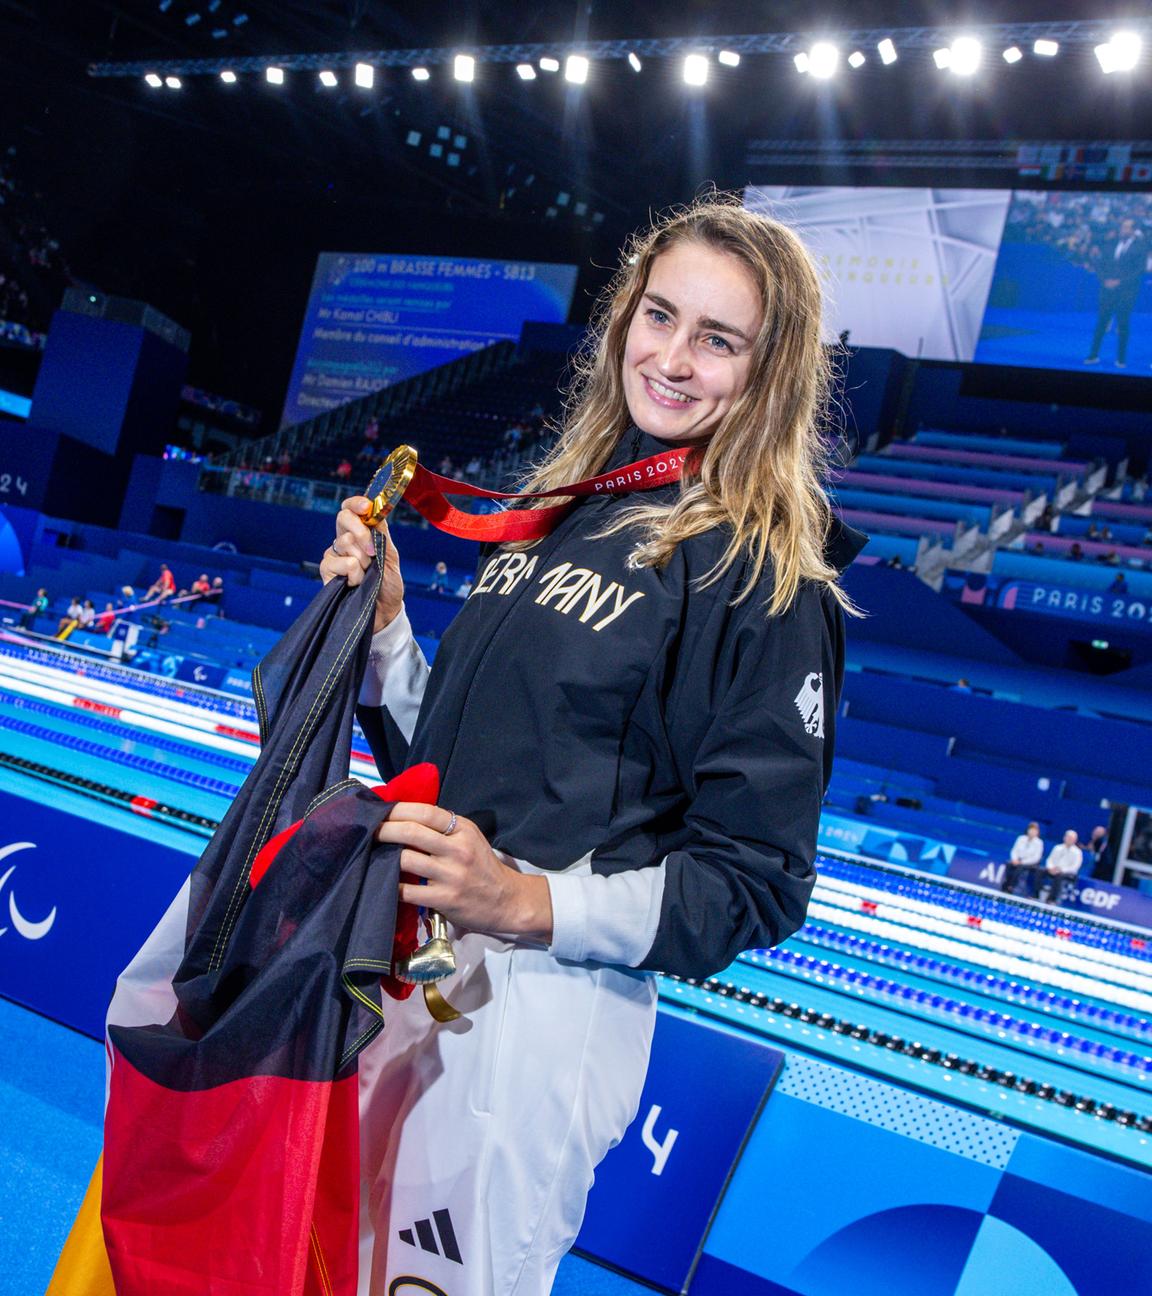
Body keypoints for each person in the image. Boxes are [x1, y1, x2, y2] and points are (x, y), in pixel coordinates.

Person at [320, 197, 865, 1296]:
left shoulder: (764, 580)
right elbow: (458, 766)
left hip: (535, 1022)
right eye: (658, 317)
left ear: (773, 372)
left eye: (719, 339)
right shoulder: (564, 513)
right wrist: (384, 633)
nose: (670, 358)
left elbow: (754, 885)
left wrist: (525, 900)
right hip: (406, 970)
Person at [1084, 218, 1147, 368]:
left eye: (1126, 227)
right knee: (1101, 324)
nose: (1123, 230)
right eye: (1122, 227)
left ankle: (1121, 359)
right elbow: (1100, 264)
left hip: (1126, 292)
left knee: (1123, 325)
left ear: (1133, 230)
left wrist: (1119, 282)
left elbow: (1139, 271)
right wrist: (1105, 280)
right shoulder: (1111, 244)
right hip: (1107, 291)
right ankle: (1093, 355)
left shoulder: (1141, 247)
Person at [1038, 829, 1083, 905]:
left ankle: (1051, 899)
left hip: (1067, 873)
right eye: (1068, 837)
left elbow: (1075, 867)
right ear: (1064, 837)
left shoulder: (1077, 852)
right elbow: (1050, 860)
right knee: (1039, 871)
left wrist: (1061, 870)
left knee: (1059, 876)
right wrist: (1050, 868)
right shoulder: (1057, 848)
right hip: (1053, 869)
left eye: (1071, 839)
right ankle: (1035, 895)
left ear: (1075, 840)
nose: (1069, 840)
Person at [1000, 821, 1044, 897]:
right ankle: (1006, 884)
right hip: (1017, 860)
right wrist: (1014, 859)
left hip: (1029, 863)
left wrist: (1022, 862)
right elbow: (1014, 850)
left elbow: (1036, 858)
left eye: (1034, 830)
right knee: (1009, 864)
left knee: (1020, 867)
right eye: (1031, 829)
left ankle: (1011, 886)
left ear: (1037, 832)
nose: (1032, 832)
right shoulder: (1021, 838)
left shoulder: (1039, 842)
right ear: (1027, 830)